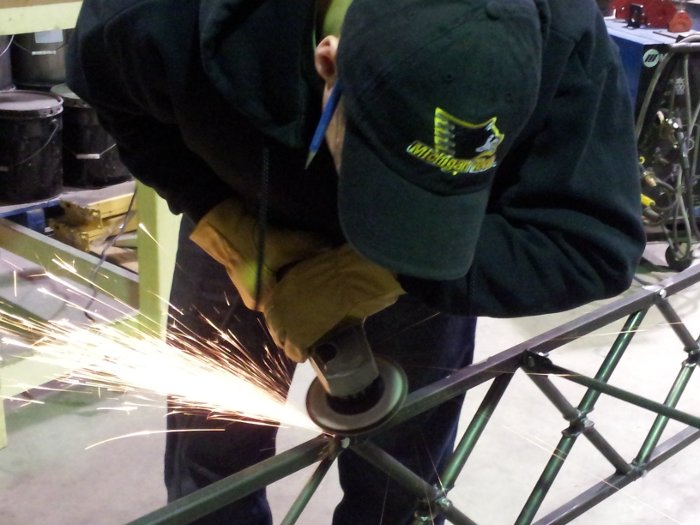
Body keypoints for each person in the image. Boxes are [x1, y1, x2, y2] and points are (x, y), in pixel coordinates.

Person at [66, 0, 646, 523]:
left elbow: (592, 244)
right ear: (330, 63)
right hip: (246, 199)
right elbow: (122, 108)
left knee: (402, 483)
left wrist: (377, 272)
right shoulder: (151, 18)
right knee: (213, 462)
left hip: (432, 262)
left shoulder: (564, 30)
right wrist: (226, 225)